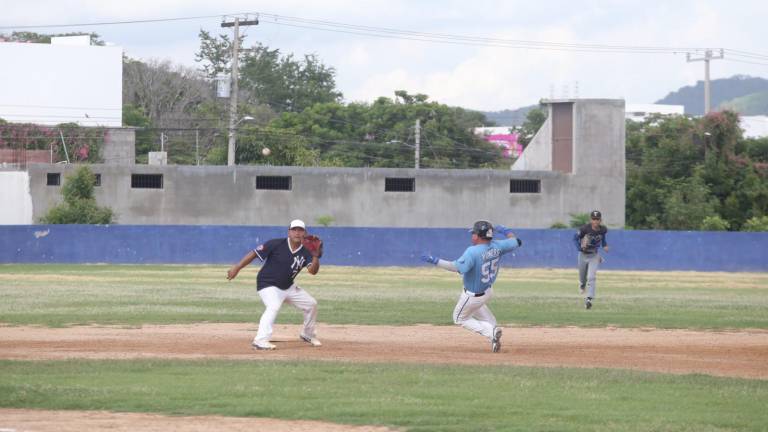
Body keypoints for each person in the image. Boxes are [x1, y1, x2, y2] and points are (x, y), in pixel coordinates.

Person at [420, 221, 522, 352]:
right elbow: (516, 241)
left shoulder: (472, 252)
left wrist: (434, 260)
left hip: (473, 295)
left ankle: (492, 332)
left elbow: (456, 267)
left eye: (473, 233)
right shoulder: (499, 246)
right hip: (487, 291)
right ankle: (494, 336)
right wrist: (506, 231)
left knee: (459, 318)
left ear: (478, 236)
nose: (472, 235)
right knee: (483, 315)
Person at [227, 219, 323, 350]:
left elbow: (313, 271)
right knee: (273, 306)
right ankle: (260, 340)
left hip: (288, 286)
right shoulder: (276, 244)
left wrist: (315, 256)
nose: (297, 233)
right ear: (289, 232)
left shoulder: (306, 251)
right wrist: (237, 268)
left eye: (300, 230)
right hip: (267, 283)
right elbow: (254, 253)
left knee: (311, 304)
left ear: (305, 233)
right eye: (294, 229)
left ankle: (307, 334)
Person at [573, 210, 610, 310]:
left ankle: (589, 299)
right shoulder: (585, 229)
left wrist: (605, 245)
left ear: (600, 220)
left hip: (594, 255)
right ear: (591, 220)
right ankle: (582, 285)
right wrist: (579, 248)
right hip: (583, 255)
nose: (595, 221)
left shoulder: (603, 230)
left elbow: (603, 239)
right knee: (582, 277)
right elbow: (575, 238)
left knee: (591, 277)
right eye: (594, 219)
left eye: (597, 219)